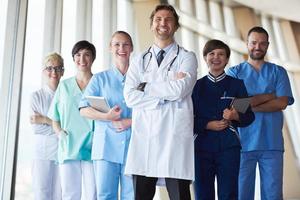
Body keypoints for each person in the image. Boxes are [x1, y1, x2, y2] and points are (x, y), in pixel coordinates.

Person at [123, 4, 197, 200]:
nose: (162, 23)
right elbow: (130, 96)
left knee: (180, 196)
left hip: (174, 138)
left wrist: (145, 86)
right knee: (141, 196)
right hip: (145, 136)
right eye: (158, 19)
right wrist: (168, 85)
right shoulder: (139, 59)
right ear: (151, 25)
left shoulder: (187, 57)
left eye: (168, 20)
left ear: (175, 26)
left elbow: (181, 89)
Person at [226, 26, 294, 200]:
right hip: (241, 144)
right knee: (241, 194)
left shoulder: (278, 72)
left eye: (262, 43)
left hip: (271, 144)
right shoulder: (234, 73)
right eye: (254, 42)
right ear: (247, 44)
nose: (258, 47)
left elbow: (282, 103)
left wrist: (248, 105)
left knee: (273, 195)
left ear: (268, 45)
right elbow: (234, 106)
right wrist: (269, 96)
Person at [192, 39, 254, 200]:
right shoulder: (195, 87)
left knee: (228, 193)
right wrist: (207, 124)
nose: (216, 57)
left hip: (228, 147)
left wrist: (235, 116)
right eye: (211, 54)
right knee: (202, 193)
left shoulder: (237, 85)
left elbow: (248, 117)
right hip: (201, 148)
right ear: (205, 58)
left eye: (221, 54)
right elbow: (186, 119)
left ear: (227, 59)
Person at [79, 31, 134, 199]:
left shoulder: (140, 78)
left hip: (134, 146)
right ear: (110, 48)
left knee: (132, 195)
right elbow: (83, 109)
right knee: (105, 195)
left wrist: (130, 121)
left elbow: (152, 111)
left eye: (125, 44)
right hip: (105, 147)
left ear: (131, 48)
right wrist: (107, 117)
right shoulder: (99, 79)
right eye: (117, 44)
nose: (121, 48)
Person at [48, 40, 97, 200]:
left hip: (93, 148)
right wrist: (60, 133)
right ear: (73, 58)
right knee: (70, 195)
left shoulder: (99, 83)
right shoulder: (64, 86)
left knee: (93, 194)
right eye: (78, 55)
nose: (82, 59)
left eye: (87, 55)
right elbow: (55, 118)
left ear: (93, 58)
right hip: (68, 146)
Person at [30, 52, 64, 200]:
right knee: (42, 192)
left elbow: (70, 125)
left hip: (61, 150)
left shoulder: (66, 95)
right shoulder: (36, 96)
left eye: (57, 68)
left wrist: (44, 119)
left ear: (63, 71)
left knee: (60, 193)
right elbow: (36, 127)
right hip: (42, 151)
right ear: (44, 71)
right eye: (49, 68)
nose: (53, 72)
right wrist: (57, 125)